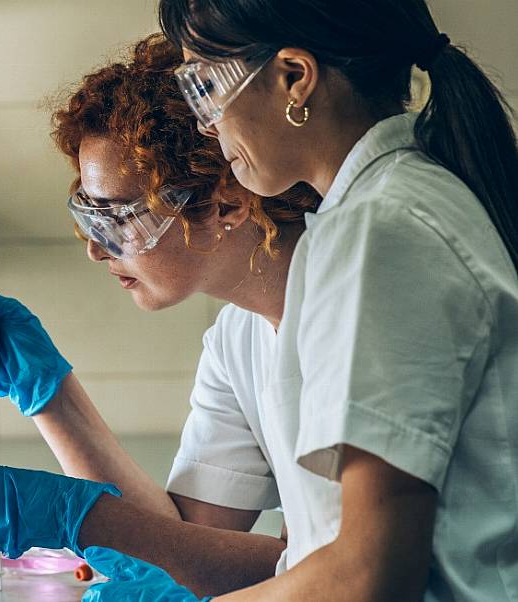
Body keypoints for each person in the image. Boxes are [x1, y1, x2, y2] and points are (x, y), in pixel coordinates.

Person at [77, 0, 518, 600]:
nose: (205, 123)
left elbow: (369, 577)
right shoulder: (369, 217)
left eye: (205, 85)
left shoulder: (382, 229)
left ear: (294, 77)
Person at [0, 34, 320, 597]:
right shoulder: (237, 337)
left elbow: (325, 569)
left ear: (226, 204)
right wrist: (51, 397)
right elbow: (182, 543)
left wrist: (77, 517)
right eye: (88, 216)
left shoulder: (342, 305)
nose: (96, 248)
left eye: (119, 217)